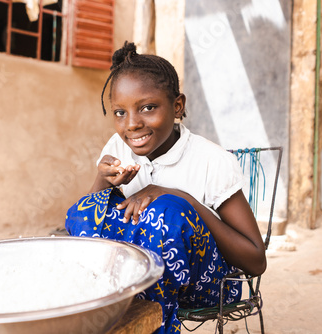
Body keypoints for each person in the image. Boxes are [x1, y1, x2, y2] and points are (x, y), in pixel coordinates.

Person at [65, 41, 266, 333]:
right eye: (120, 112)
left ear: (177, 106)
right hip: (133, 277)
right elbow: (85, 224)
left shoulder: (211, 160)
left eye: (147, 108)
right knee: (83, 211)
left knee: (168, 213)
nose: (132, 124)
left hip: (204, 285)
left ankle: (155, 324)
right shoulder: (118, 147)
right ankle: (96, 315)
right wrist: (103, 181)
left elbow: (256, 260)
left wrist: (181, 198)